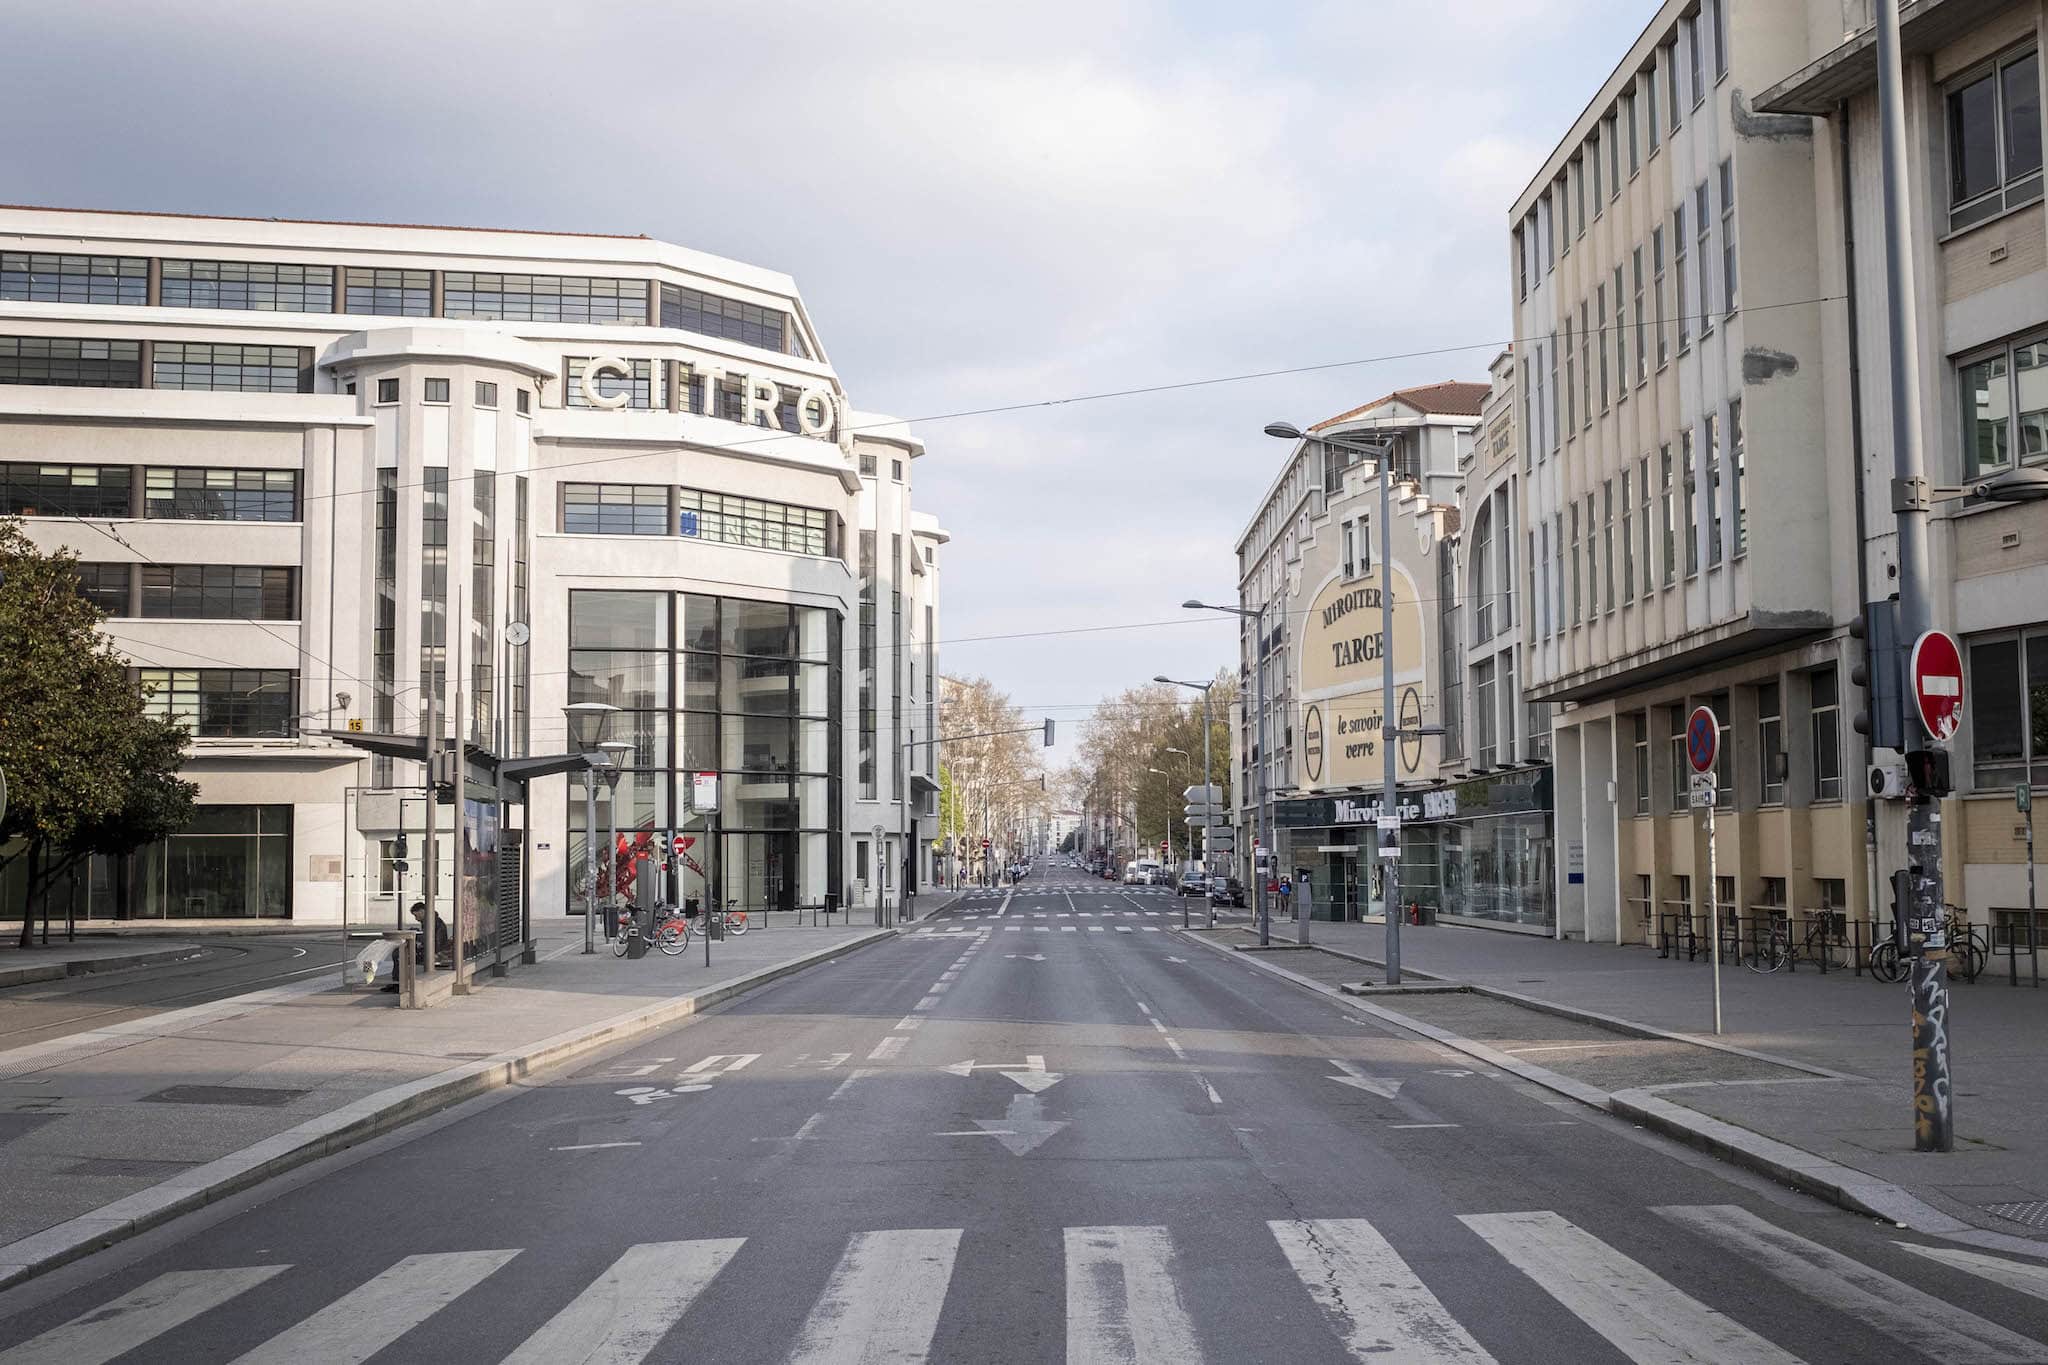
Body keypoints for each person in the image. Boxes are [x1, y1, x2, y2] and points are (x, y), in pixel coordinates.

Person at [409, 900, 453, 968]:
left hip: (435, 952)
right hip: (435, 950)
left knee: (402, 955)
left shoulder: (431, 921)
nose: (416, 919)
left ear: (422, 911)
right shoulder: (432, 920)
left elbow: (429, 938)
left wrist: (416, 935)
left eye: (416, 915)